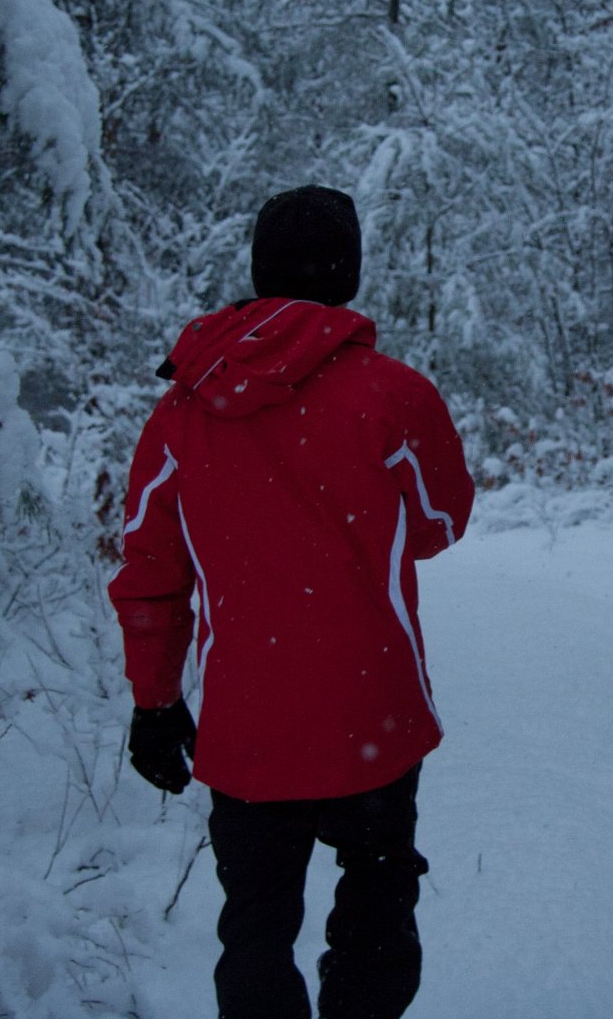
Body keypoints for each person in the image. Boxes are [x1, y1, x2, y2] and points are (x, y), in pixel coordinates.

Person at [107, 185, 474, 1019]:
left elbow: (150, 572)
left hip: (248, 726)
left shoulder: (183, 406)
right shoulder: (394, 393)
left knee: (257, 931)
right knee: (378, 907)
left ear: (259, 269)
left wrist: (154, 703)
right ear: (348, 273)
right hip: (371, 710)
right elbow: (440, 522)